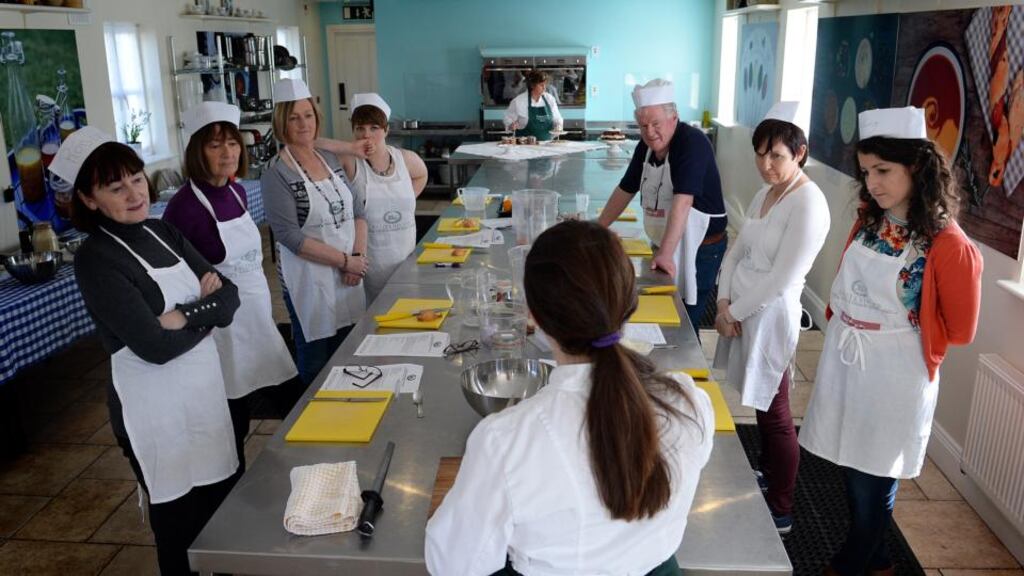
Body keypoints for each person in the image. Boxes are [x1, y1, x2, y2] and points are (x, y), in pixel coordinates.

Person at [425, 221, 714, 576]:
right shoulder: (688, 401)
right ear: (629, 303)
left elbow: (455, 564)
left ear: (533, 316)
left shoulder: (504, 441)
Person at [799, 107, 983, 576]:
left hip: (896, 370)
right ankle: (880, 558)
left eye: (883, 170)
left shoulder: (948, 243)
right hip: (849, 359)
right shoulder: (871, 219)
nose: (873, 182)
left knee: (873, 473)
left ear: (917, 167)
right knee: (847, 457)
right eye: (867, 172)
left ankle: (853, 561)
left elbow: (960, 330)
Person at [61, 127, 241, 575]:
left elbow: (231, 298)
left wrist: (182, 315)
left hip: (201, 395)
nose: (134, 193)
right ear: (89, 199)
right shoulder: (96, 259)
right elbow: (153, 348)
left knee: (223, 512)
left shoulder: (162, 232)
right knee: (180, 527)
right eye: (115, 187)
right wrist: (205, 310)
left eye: (137, 179)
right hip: (152, 414)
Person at [713, 101, 831, 534]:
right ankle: (767, 472)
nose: (765, 165)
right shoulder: (767, 192)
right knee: (760, 404)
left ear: (799, 152)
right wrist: (723, 302)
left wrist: (734, 313)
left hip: (771, 316)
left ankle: (782, 507)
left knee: (777, 410)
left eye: (776, 156)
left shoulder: (809, 203)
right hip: (741, 310)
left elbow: (784, 278)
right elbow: (737, 249)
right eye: (760, 154)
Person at [163, 101, 297, 469]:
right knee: (232, 414)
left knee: (287, 395)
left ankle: (301, 464)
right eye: (215, 145)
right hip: (222, 330)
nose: (228, 152)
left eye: (233, 143)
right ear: (197, 151)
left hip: (257, 317)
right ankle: (231, 484)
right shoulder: (183, 207)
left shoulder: (237, 192)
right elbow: (175, 278)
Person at [262, 78, 371, 385]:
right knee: (317, 365)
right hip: (309, 282)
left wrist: (358, 257)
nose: (302, 123)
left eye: (308, 115)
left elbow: (358, 211)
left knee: (350, 354)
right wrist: (344, 261)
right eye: (293, 117)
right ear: (282, 123)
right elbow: (290, 237)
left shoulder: (330, 158)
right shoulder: (276, 173)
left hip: (349, 274)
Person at [597, 78, 728, 334]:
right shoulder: (645, 148)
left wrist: (665, 253)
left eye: (655, 124)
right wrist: (598, 228)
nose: (649, 132)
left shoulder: (692, 143)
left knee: (684, 323)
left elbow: (684, 201)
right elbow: (625, 188)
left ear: (674, 117)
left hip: (700, 248)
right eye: (643, 125)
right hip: (667, 242)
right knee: (664, 316)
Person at [317, 92, 428, 303]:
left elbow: (422, 175)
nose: (366, 135)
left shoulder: (406, 159)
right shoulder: (350, 162)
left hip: (405, 259)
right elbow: (309, 145)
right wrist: (349, 147)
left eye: (374, 128)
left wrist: (406, 200)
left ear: (386, 129)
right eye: (360, 128)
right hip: (370, 265)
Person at [503, 69, 563, 141]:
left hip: (546, 146)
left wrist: (558, 126)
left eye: (545, 84)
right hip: (524, 147)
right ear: (532, 85)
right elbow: (507, 119)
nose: (544, 87)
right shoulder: (518, 101)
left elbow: (557, 119)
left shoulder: (550, 99)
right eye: (541, 85)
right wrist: (511, 125)